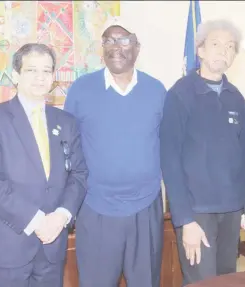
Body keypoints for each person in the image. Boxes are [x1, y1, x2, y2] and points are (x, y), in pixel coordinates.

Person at [0, 43, 88, 287]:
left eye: (46, 71)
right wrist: (37, 221)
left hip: (52, 246)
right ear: (17, 75)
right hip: (6, 246)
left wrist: (61, 216)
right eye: (32, 70)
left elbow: (79, 174)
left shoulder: (65, 122)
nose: (40, 78)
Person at [63, 16, 167, 287]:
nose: (115, 46)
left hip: (145, 209)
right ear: (102, 49)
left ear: (137, 47)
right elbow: (67, 148)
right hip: (95, 209)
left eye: (123, 39)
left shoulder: (157, 90)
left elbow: (167, 144)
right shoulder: (80, 90)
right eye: (108, 40)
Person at [160, 19, 245, 286]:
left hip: (232, 211)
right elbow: (169, 161)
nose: (223, 51)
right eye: (216, 44)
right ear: (201, 50)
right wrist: (185, 220)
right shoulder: (180, 95)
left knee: (227, 280)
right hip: (197, 213)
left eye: (230, 47)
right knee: (201, 282)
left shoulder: (236, 97)